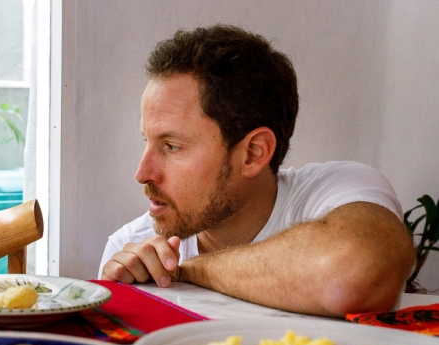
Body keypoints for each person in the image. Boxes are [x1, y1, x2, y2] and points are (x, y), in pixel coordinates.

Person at [99, 25, 414, 318]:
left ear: (253, 153)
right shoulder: (131, 253)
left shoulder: (339, 193)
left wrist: (186, 270)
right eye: (148, 141)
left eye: (172, 146)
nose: (142, 173)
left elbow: (354, 274)